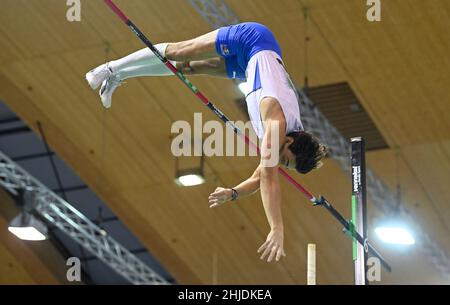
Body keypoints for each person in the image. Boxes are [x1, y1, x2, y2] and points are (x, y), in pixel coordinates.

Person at [85, 22, 327, 263]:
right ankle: (108, 68)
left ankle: (120, 75)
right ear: (289, 140)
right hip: (252, 39)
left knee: (187, 68)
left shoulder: (288, 137)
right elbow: (268, 179)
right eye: (284, 159)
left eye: (284, 164)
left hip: (248, 65)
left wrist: (233, 193)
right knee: (181, 51)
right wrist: (276, 228)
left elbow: (258, 177)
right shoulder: (276, 123)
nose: (279, 162)